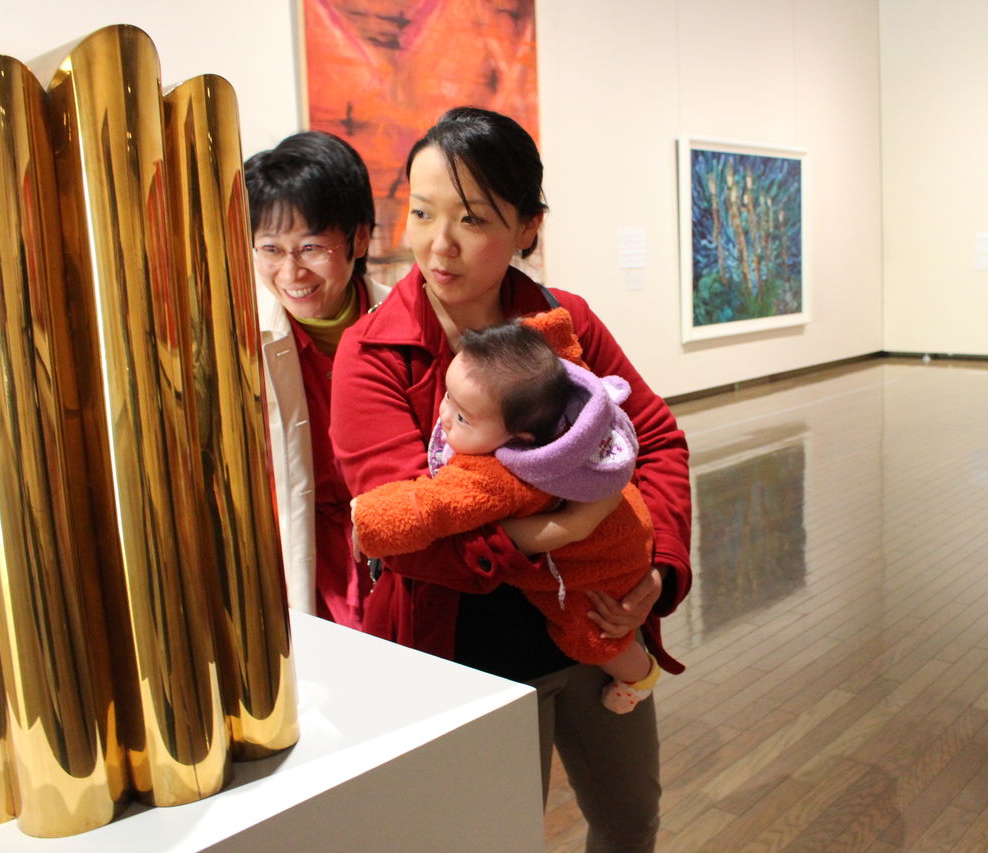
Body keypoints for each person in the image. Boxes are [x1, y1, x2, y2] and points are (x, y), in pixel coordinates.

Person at [330, 106, 692, 851]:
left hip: (598, 624)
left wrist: (655, 567)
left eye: (473, 218)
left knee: (630, 820)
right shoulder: (373, 353)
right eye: (421, 212)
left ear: (529, 226)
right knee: (489, 836)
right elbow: (401, 526)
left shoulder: (564, 321)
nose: (439, 243)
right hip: (460, 653)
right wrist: (561, 529)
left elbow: (656, 437)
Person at [351, 313, 662, 714]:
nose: (444, 416)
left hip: (601, 569)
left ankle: (639, 677)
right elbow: (563, 347)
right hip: (629, 528)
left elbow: (430, 507)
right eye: (448, 397)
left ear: (520, 437)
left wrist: (368, 517)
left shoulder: (495, 475)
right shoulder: (556, 400)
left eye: (463, 417)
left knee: (589, 635)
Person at [245, 131, 390, 628]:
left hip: (397, 558)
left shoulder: (406, 322)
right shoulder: (239, 341)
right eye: (271, 248)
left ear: (360, 238)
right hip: (295, 563)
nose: (291, 273)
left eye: (310, 247)